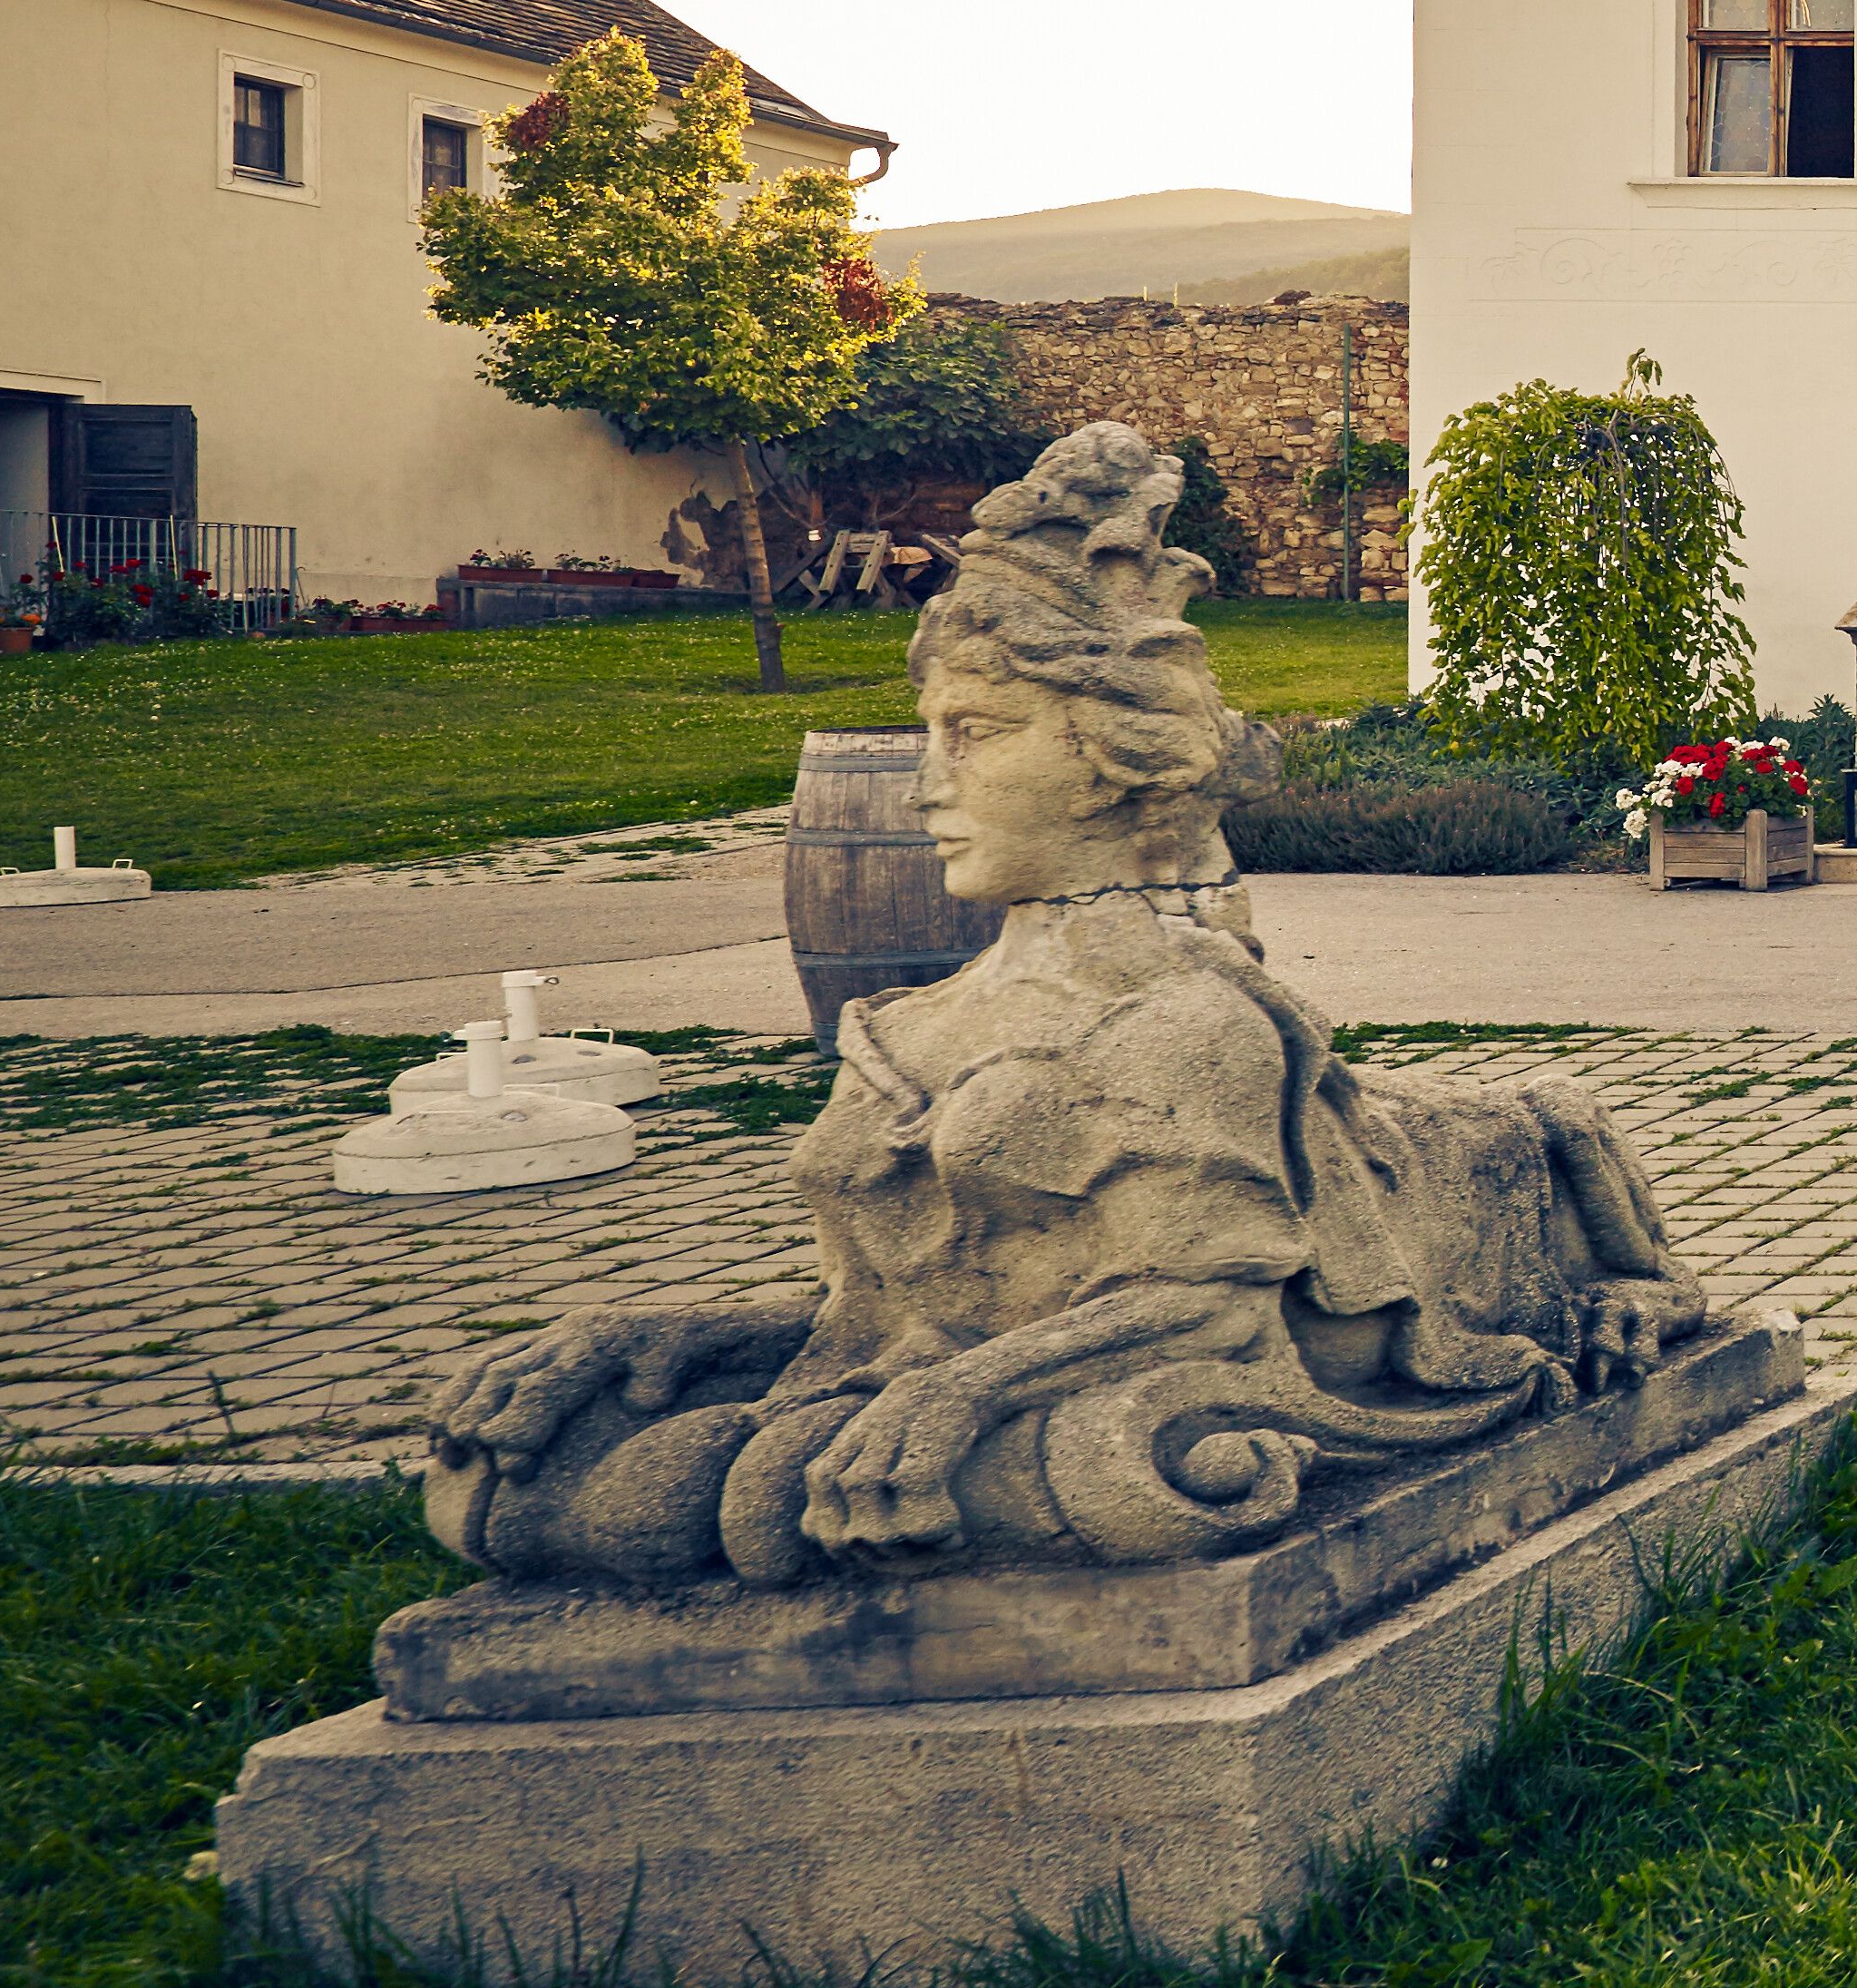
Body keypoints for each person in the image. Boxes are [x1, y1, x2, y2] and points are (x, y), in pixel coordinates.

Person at [422, 426, 1706, 1582]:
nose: (928, 783)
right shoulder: (915, 1031)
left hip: (1407, 1238)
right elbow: (888, 1318)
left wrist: (965, 1396)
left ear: (1115, 757)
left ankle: (1646, 1277)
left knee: (1548, 1115)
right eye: (934, 730)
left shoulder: (1184, 1024)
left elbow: (1211, 1308)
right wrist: (646, 1334)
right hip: (1027, 1314)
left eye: (976, 734)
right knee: (552, 1489)